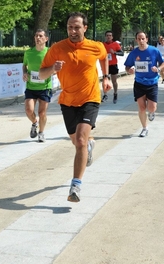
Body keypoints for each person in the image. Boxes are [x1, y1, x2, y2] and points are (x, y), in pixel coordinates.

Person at [39, 12, 112, 202]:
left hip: (90, 99)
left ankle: (75, 186)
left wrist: (106, 77)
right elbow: (41, 75)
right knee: (77, 142)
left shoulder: (95, 46)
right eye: (70, 27)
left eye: (77, 27)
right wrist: (52, 69)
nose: (73, 30)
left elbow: (104, 57)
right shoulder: (57, 48)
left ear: (85, 28)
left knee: (79, 141)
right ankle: (89, 146)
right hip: (67, 101)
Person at [124, 31, 164, 138]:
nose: (141, 41)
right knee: (142, 107)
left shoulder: (154, 50)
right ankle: (144, 128)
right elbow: (127, 66)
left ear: (146, 39)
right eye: (139, 39)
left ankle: (152, 113)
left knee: (152, 107)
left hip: (152, 83)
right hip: (139, 83)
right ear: (136, 40)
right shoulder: (133, 53)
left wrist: (158, 68)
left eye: (143, 38)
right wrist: (129, 70)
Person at [22, 29, 52, 143]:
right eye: (36, 35)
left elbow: (54, 67)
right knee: (29, 110)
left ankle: (41, 132)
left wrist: (49, 73)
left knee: (42, 113)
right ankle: (35, 123)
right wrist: (24, 73)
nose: (38, 38)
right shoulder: (28, 52)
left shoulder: (49, 52)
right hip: (31, 87)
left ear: (46, 39)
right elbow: (24, 65)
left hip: (45, 87)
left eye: (40, 36)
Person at [102, 31, 124, 104]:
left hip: (113, 64)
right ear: (105, 36)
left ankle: (115, 94)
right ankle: (105, 95)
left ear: (112, 37)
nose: (109, 37)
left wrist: (114, 52)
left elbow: (122, 53)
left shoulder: (115, 44)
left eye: (110, 35)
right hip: (105, 65)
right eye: (107, 35)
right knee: (105, 80)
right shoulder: (102, 45)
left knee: (114, 81)